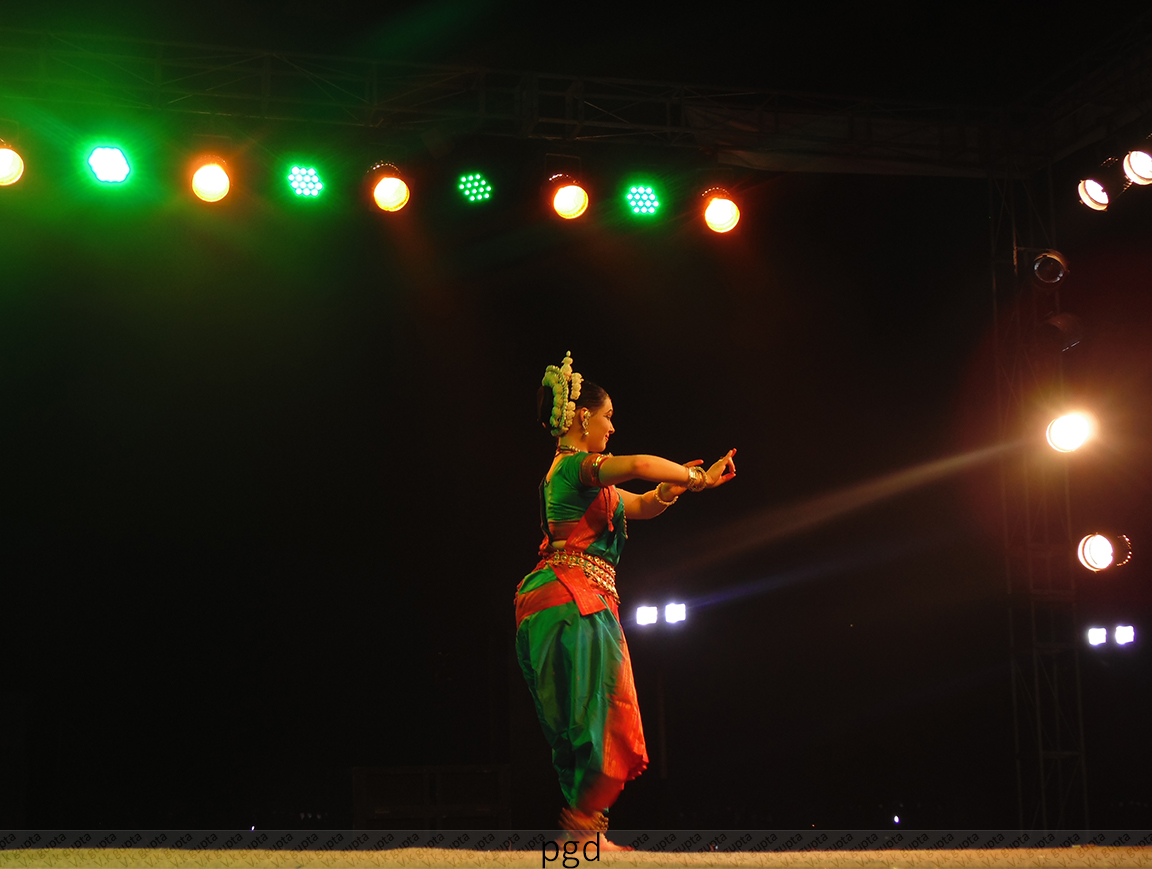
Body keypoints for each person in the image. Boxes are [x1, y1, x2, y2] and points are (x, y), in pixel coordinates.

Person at [515, 351, 737, 847]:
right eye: (609, 416)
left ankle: (585, 830)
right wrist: (695, 478)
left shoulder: (577, 478)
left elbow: (637, 503)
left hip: (562, 599)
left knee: (583, 718)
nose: (612, 427)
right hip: (576, 598)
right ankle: (583, 827)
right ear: (583, 417)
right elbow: (637, 465)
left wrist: (671, 490)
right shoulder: (577, 467)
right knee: (601, 712)